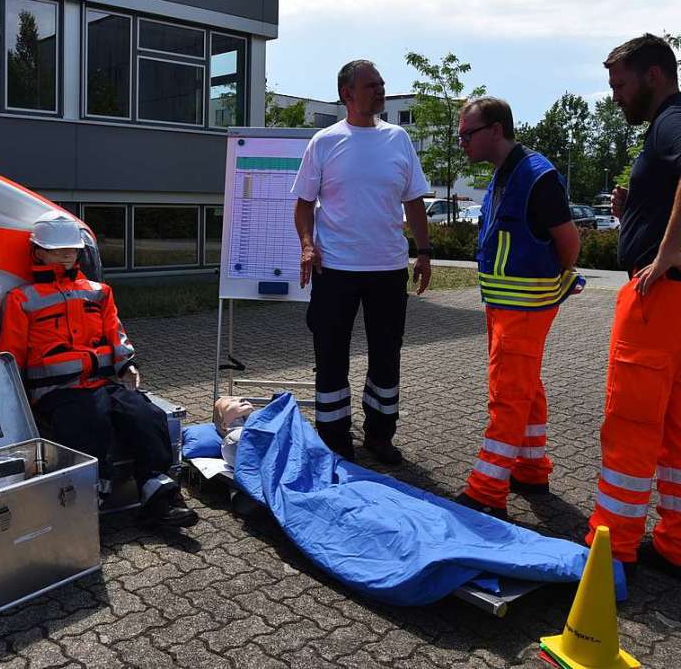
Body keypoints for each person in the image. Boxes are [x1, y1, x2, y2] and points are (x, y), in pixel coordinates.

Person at [0, 211, 198, 528]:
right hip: (57, 392)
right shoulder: (21, 299)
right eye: (59, 249)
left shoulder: (99, 291)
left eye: (73, 249)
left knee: (147, 416)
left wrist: (127, 364)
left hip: (104, 384)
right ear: (38, 252)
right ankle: (90, 502)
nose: (68, 254)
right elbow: (9, 356)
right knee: (89, 421)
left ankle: (158, 497)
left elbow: (116, 334)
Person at [292, 59, 432, 465]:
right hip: (334, 269)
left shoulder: (398, 139)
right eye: (371, 85)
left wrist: (423, 252)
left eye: (382, 84)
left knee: (387, 353)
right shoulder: (324, 141)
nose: (380, 90)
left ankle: (379, 434)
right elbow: (302, 205)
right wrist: (306, 244)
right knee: (330, 353)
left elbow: (414, 201)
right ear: (346, 94)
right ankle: (334, 438)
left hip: (388, 269)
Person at [453, 96, 581, 520]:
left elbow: (569, 244)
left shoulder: (535, 176)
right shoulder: (505, 175)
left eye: (467, 134)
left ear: (495, 129)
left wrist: (556, 277)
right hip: (508, 306)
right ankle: (530, 467)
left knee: (507, 393)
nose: (462, 142)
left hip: (524, 306)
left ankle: (487, 489)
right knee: (526, 386)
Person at [586, 34, 681, 576]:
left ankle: (611, 547)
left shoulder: (671, 119)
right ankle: (675, 542)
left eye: (620, 85)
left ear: (653, 76)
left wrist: (666, 252)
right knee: (674, 427)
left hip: (656, 300)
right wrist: (636, 215)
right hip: (674, 296)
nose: (615, 96)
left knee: (631, 425)